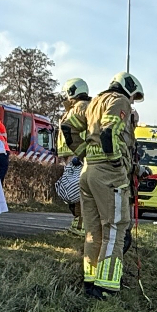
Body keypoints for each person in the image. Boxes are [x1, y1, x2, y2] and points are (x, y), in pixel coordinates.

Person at [80, 73, 143, 297]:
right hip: (108, 173)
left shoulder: (94, 102)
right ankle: (105, 286)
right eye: (134, 97)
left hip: (88, 171)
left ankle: (90, 280)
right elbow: (108, 131)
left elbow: (72, 129)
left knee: (93, 230)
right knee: (115, 228)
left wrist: (83, 154)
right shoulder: (120, 100)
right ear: (129, 89)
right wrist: (116, 161)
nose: (133, 102)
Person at [57, 77, 93, 235]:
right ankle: (78, 225)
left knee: (79, 194)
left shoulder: (81, 107)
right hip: (73, 156)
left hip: (76, 156)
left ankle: (80, 227)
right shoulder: (78, 107)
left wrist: (81, 154)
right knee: (75, 194)